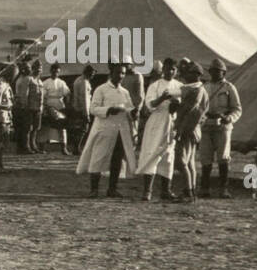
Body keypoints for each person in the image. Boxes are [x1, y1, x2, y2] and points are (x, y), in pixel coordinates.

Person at [76, 62, 137, 197]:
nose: (120, 76)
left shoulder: (125, 92)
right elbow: (93, 109)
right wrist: (109, 110)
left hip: (121, 130)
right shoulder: (101, 89)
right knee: (98, 157)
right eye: (118, 73)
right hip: (104, 129)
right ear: (111, 73)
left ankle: (112, 189)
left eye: (123, 73)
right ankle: (94, 189)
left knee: (117, 159)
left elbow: (129, 109)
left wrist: (133, 113)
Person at [135, 58, 183, 201]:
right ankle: (147, 190)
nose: (170, 72)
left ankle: (165, 190)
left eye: (173, 69)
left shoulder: (180, 86)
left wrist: (176, 106)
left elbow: (185, 105)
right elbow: (149, 105)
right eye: (167, 69)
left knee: (168, 156)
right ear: (163, 70)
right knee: (151, 153)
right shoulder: (155, 85)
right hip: (157, 121)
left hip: (171, 122)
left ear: (176, 70)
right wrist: (162, 98)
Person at [199, 58, 242, 198]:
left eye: (219, 71)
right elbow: (199, 107)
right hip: (206, 126)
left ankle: (223, 189)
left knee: (223, 157)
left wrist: (228, 118)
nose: (215, 73)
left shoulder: (229, 88)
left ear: (224, 72)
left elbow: (237, 109)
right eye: (213, 71)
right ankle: (204, 188)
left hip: (223, 127)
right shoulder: (204, 87)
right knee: (205, 157)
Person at [173, 62, 209, 201]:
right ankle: (191, 191)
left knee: (181, 161)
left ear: (196, 75)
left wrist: (180, 131)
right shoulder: (200, 90)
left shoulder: (196, 91)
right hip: (193, 130)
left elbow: (190, 112)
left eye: (187, 73)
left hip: (188, 129)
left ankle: (187, 192)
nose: (184, 76)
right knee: (189, 163)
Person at [41, 63, 71, 154]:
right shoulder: (45, 82)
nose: (55, 73)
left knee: (62, 128)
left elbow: (68, 93)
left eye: (57, 72)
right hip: (49, 105)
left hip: (60, 105)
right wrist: (45, 107)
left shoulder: (61, 82)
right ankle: (42, 147)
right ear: (51, 71)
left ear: (59, 72)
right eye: (53, 71)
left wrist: (67, 103)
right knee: (45, 127)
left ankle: (64, 148)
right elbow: (43, 96)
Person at [69, 65, 94, 154]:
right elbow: (85, 99)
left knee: (78, 129)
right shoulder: (84, 82)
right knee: (83, 129)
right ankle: (77, 148)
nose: (92, 76)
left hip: (77, 108)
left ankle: (76, 147)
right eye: (92, 74)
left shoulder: (78, 80)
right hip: (81, 109)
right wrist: (86, 113)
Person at [22, 62, 44, 153]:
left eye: (40, 69)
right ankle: (27, 146)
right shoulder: (28, 79)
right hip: (29, 107)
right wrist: (25, 105)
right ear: (33, 69)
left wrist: (41, 107)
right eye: (36, 68)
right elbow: (25, 94)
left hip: (38, 107)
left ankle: (33, 145)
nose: (38, 70)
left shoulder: (39, 81)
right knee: (28, 128)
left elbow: (42, 95)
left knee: (36, 127)